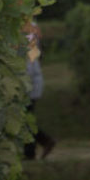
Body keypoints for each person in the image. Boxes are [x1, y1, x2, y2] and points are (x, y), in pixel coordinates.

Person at [24, 21, 56, 159]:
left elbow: (33, 56)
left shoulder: (30, 30)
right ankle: (40, 145)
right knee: (26, 118)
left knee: (26, 119)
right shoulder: (30, 28)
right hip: (27, 80)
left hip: (28, 82)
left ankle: (34, 149)